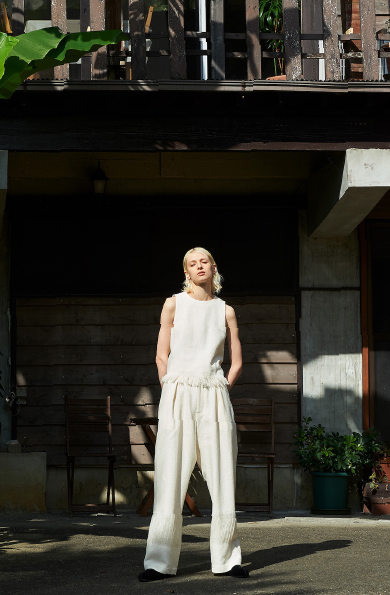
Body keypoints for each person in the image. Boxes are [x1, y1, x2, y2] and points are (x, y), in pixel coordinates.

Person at [139, 247, 249, 582]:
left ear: (213, 267)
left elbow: (237, 360)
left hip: (214, 394)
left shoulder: (225, 310)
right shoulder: (174, 304)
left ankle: (228, 560)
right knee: (170, 476)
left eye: (204, 261)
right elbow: (161, 355)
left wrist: (223, 387)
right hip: (178, 393)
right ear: (186, 272)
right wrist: (168, 385)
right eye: (192, 263)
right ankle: (158, 562)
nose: (199, 266)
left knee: (222, 476)